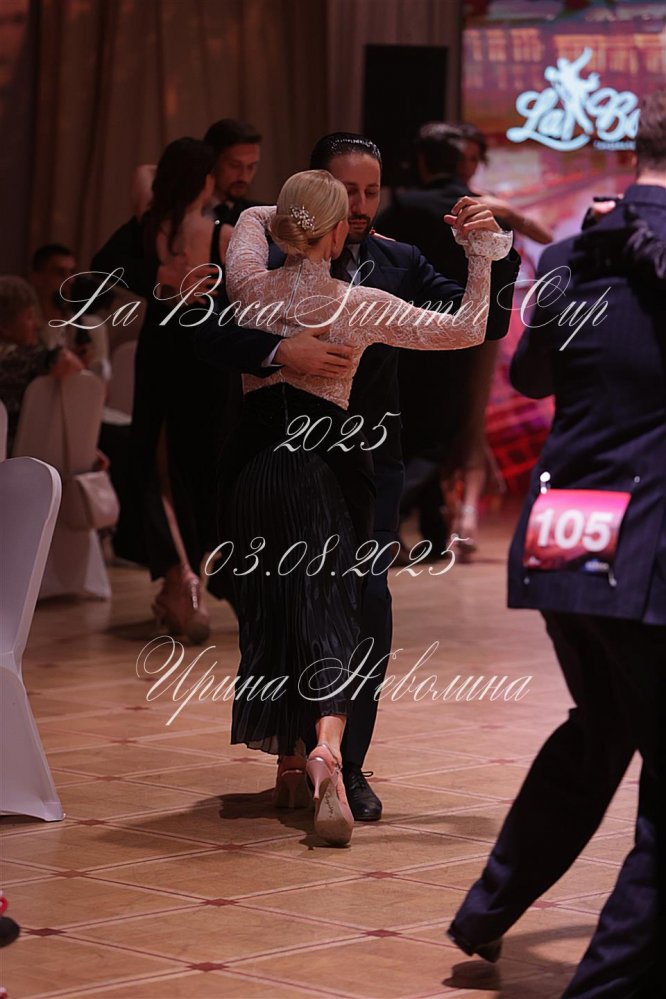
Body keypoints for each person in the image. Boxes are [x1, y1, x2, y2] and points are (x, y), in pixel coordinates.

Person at [447, 88, 666, 998]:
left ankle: (484, 912)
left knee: (601, 729)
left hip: (563, 536)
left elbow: (535, 376)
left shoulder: (578, 255)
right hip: (648, 550)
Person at [221, 169, 513, 846]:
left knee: (275, 616)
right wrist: (481, 252)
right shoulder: (355, 302)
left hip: (255, 476)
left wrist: (294, 208)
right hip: (321, 474)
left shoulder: (249, 286)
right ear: (334, 237)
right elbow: (469, 328)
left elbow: (252, 221)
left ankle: (289, 765)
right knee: (332, 620)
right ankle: (327, 750)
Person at [112, 138, 231, 641]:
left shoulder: (149, 230)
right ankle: (192, 579)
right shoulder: (223, 234)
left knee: (159, 470)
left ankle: (180, 578)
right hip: (210, 358)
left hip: (162, 354)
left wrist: (157, 278)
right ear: (205, 180)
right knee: (203, 468)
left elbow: (101, 265)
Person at [0, 276, 83, 454]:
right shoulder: (15, 359)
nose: (36, 325)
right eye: (29, 317)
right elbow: (66, 362)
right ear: (5, 327)